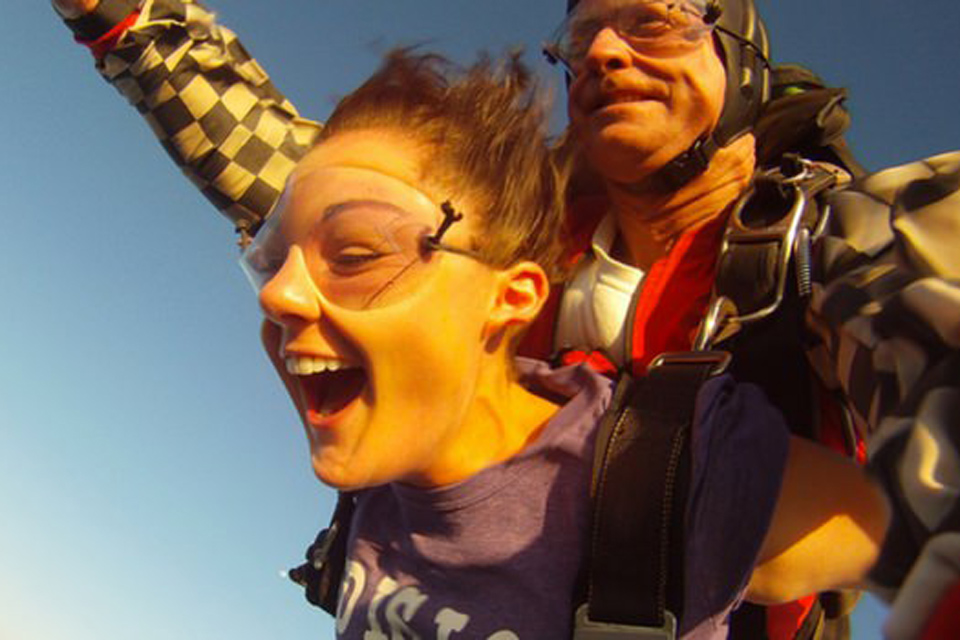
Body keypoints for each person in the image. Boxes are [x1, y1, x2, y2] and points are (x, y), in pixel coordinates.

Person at [52, 0, 960, 637]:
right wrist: (126, 20)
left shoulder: (843, 237)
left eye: (656, 22)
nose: (604, 51)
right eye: (584, 34)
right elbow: (313, 191)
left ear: (742, 58)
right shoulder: (512, 236)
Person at [240, 49, 884, 638]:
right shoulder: (380, 471)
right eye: (273, 258)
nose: (279, 295)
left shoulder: (676, 477)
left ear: (512, 297)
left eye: (355, 254)